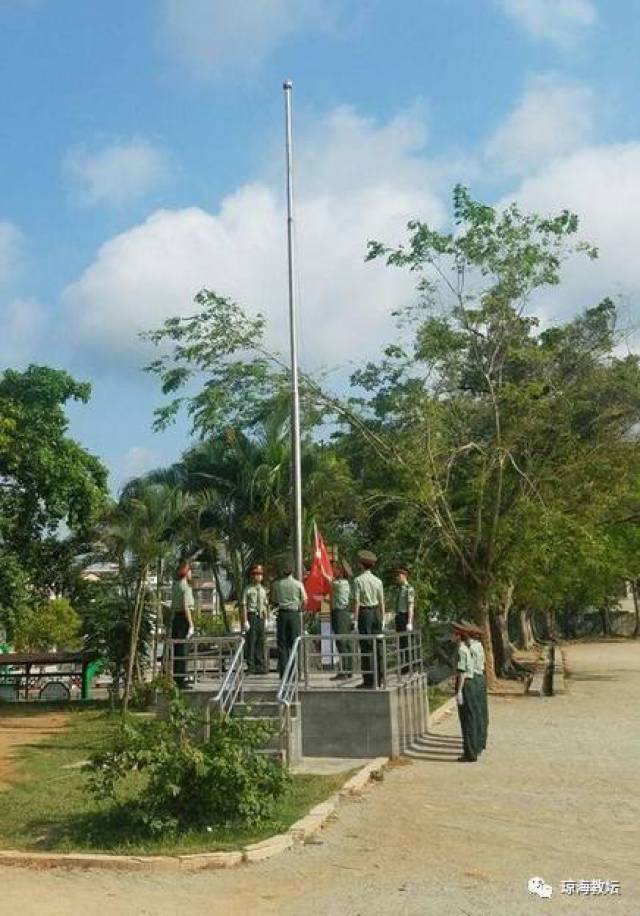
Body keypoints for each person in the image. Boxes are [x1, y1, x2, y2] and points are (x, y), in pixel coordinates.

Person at [353, 550, 385, 688]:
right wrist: (382, 618)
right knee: (378, 646)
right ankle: (380, 678)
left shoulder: (358, 580)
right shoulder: (378, 581)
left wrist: (355, 620)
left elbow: (357, 602)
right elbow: (382, 601)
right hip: (376, 613)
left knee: (366, 647)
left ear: (361, 564)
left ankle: (368, 680)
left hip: (365, 614)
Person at [271, 559, 307, 678]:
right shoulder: (298, 584)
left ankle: (284, 673)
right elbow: (305, 600)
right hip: (294, 614)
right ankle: (294, 671)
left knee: (282, 644)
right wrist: (300, 609)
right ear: (292, 571)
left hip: (282, 614)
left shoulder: (277, 584)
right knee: (294, 643)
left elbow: (274, 600)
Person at [452, 622, 478, 762]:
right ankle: (471, 751)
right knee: (469, 718)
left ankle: (469, 753)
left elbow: (461, 672)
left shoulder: (462, 650)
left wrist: (459, 691)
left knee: (466, 720)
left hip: (465, 684)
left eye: (453, 634)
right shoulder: (465, 648)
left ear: (458, 636)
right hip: (469, 683)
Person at [170, 561, 195, 689]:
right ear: (186, 572)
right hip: (183, 619)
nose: (192, 574)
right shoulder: (185, 587)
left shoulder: (175, 585)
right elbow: (186, 608)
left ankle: (177, 678)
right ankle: (181, 679)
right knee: (182, 651)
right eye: (190, 571)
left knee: (177, 650)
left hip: (176, 619)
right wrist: (191, 624)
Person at [465, 621, 488, 754]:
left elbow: (464, 669)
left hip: (472, 679)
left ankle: (472, 748)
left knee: (471, 717)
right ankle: (479, 742)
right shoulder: (479, 646)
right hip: (479, 678)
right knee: (479, 713)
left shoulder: (469, 649)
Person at [241, 564, 269, 675]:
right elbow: (244, 605)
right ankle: (251, 665)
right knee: (251, 641)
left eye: (260, 574)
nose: (258, 576)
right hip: (251, 615)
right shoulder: (248, 589)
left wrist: (266, 618)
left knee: (260, 642)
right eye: (256, 574)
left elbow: (265, 605)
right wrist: (245, 621)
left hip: (261, 616)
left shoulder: (263, 590)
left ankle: (260, 665)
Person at [329, 560, 354, 680]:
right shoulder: (341, 583)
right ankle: (348, 669)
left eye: (336, 569)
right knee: (344, 642)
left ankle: (345, 670)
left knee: (342, 642)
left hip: (340, 614)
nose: (334, 571)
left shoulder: (340, 583)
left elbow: (328, 580)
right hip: (340, 613)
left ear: (341, 572)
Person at [389, 565, 415, 674]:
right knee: (400, 644)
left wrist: (409, 622)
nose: (397, 578)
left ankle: (409, 667)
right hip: (399, 617)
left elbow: (410, 606)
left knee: (407, 644)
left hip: (405, 617)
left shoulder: (409, 589)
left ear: (404, 576)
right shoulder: (398, 589)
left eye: (399, 575)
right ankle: (403, 667)